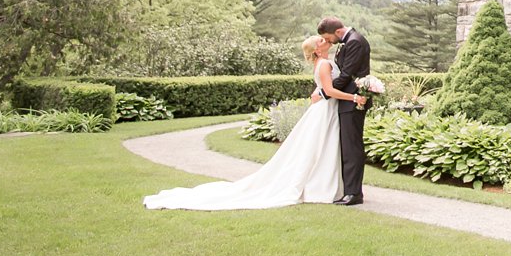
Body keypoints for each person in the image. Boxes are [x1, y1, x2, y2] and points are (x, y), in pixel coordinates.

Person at [142, 35, 365, 210]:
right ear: (316, 50)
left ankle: (324, 184)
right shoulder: (324, 65)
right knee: (318, 148)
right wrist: (355, 97)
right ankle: (319, 187)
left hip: (325, 109)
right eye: (320, 40)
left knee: (321, 149)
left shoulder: (325, 62)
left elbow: (322, 89)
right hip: (325, 110)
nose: (324, 40)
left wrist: (319, 93)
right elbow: (329, 90)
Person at [318, 17, 372, 206]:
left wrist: (324, 93)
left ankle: (354, 193)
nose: (329, 42)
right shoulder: (348, 41)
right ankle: (347, 189)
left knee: (352, 147)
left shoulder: (355, 42)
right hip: (345, 100)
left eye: (328, 38)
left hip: (354, 100)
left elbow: (347, 74)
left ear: (337, 32)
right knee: (346, 147)